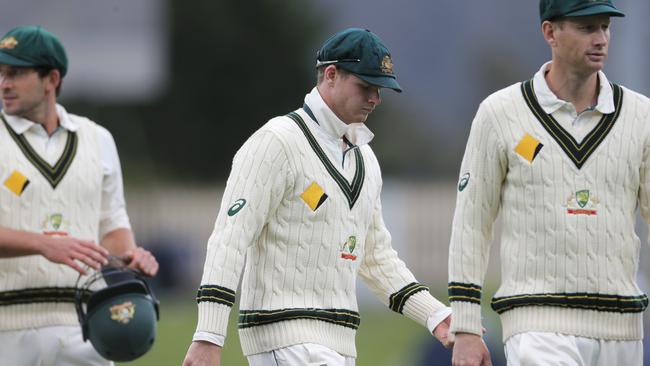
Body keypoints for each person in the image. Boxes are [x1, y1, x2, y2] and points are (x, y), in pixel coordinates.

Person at [183, 28, 452, 366]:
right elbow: (229, 239)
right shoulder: (277, 142)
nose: (375, 99)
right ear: (331, 75)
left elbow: (375, 258)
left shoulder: (366, 160)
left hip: (339, 345)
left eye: (379, 89)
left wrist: (436, 316)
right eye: (365, 86)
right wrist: (208, 335)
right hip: (283, 339)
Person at [447, 1, 650, 365]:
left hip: (622, 329)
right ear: (550, 32)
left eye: (605, 27)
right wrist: (465, 326)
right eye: (587, 28)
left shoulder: (641, 117)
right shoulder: (500, 113)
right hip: (536, 324)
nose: (601, 39)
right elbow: (471, 223)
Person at [0, 25, 159, 365]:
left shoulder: (97, 138)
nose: (4, 84)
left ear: (51, 79)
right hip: (7, 330)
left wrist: (130, 258)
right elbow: (48, 245)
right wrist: (43, 244)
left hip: (86, 325)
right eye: (0, 73)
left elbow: (112, 225)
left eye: (16, 73)